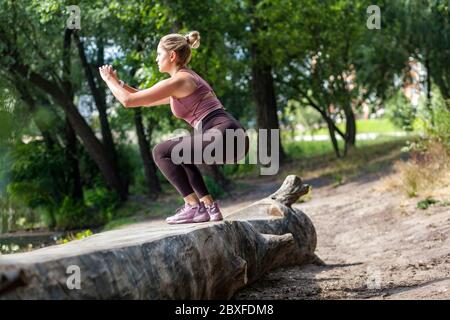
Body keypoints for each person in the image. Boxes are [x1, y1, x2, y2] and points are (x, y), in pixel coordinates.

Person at [99, 30, 249, 224]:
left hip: (223, 134)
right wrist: (118, 82)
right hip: (233, 137)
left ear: (172, 55)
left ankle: (193, 207)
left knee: (161, 151)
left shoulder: (180, 80)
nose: (155, 59)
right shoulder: (184, 80)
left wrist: (108, 80)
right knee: (180, 152)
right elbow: (142, 98)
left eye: (158, 54)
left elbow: (128, 101)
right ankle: (209, 207)